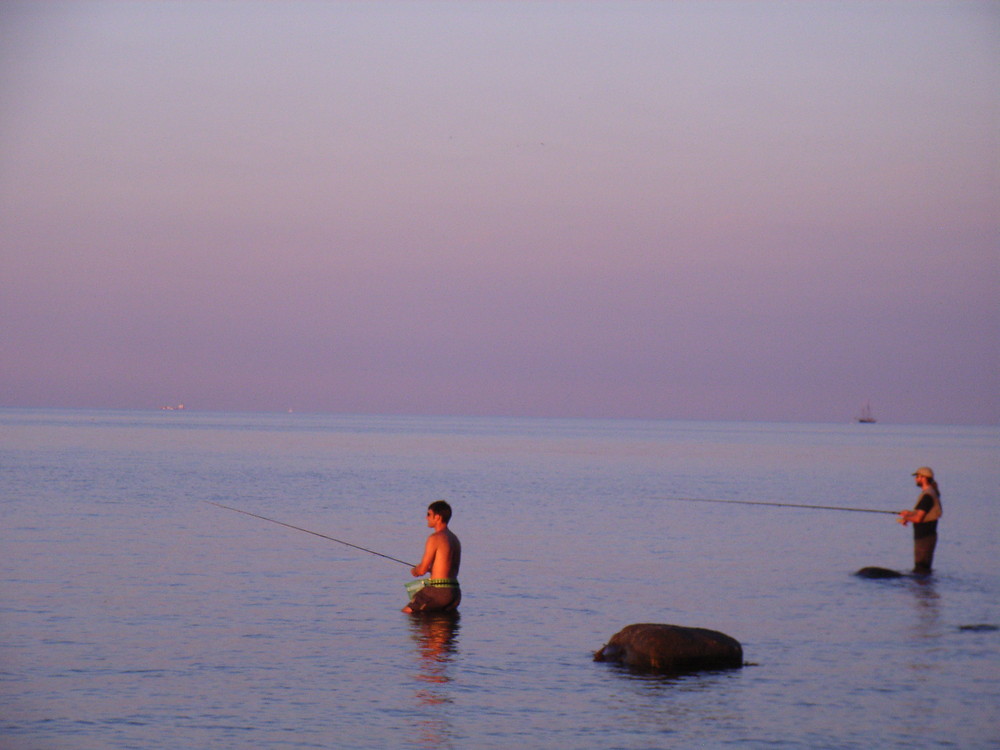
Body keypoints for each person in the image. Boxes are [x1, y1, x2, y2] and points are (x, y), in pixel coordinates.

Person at [402, 500, 462, 613]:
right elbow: (447, 566)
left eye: (429, 514)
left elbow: (422, 570)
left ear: (438, 517)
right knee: (437, 627)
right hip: (455, 592)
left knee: (407, 613)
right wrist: (432, 569)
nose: (426, 518)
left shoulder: (435, 538)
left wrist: (416, 570)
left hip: (438, 591)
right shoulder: (454, 539)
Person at [897, 466, 942, 574]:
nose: (915, 479)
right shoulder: (929, 493)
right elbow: (920, 513)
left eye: (917, 476)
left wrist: (906, 517)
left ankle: (923, 589)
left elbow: (918, 518)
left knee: (921, 569)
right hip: (924, 536)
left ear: (924, 478)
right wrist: (909, 514)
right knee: (921, 570)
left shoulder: (927, 496)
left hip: (925, 537)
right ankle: (923, 589)